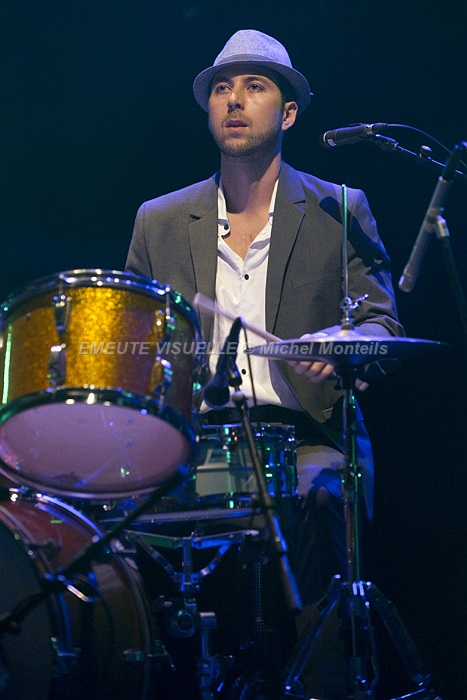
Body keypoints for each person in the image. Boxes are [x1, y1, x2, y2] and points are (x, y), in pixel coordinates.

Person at [126, 29, 404, 698]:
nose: (234, 99)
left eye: (254, 87)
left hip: (305, 437)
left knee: (317, 494)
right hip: (195, 443)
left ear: (288, 114)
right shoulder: (159, 221)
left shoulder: (339, 208)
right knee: (112, 512)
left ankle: (323, 681)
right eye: (222, 88)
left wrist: (339, 345)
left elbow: (384, 327)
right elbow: (136, 341)